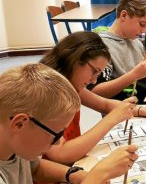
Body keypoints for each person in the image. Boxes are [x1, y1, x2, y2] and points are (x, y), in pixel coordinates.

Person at [39, 31, 146, 165]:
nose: (94, 81)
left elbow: (105, 104)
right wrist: (112, 119)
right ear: (74, 60)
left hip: (74, 164)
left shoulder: (70, 83)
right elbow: (60, 154)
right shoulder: (46, 92)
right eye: (94, 72)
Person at [0, 63, 137, 184]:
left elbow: (35, 168)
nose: (57, 143)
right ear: (19, 124)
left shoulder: (15, 146)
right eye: (56, 134)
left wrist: (72, 174)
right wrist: (100, 174)